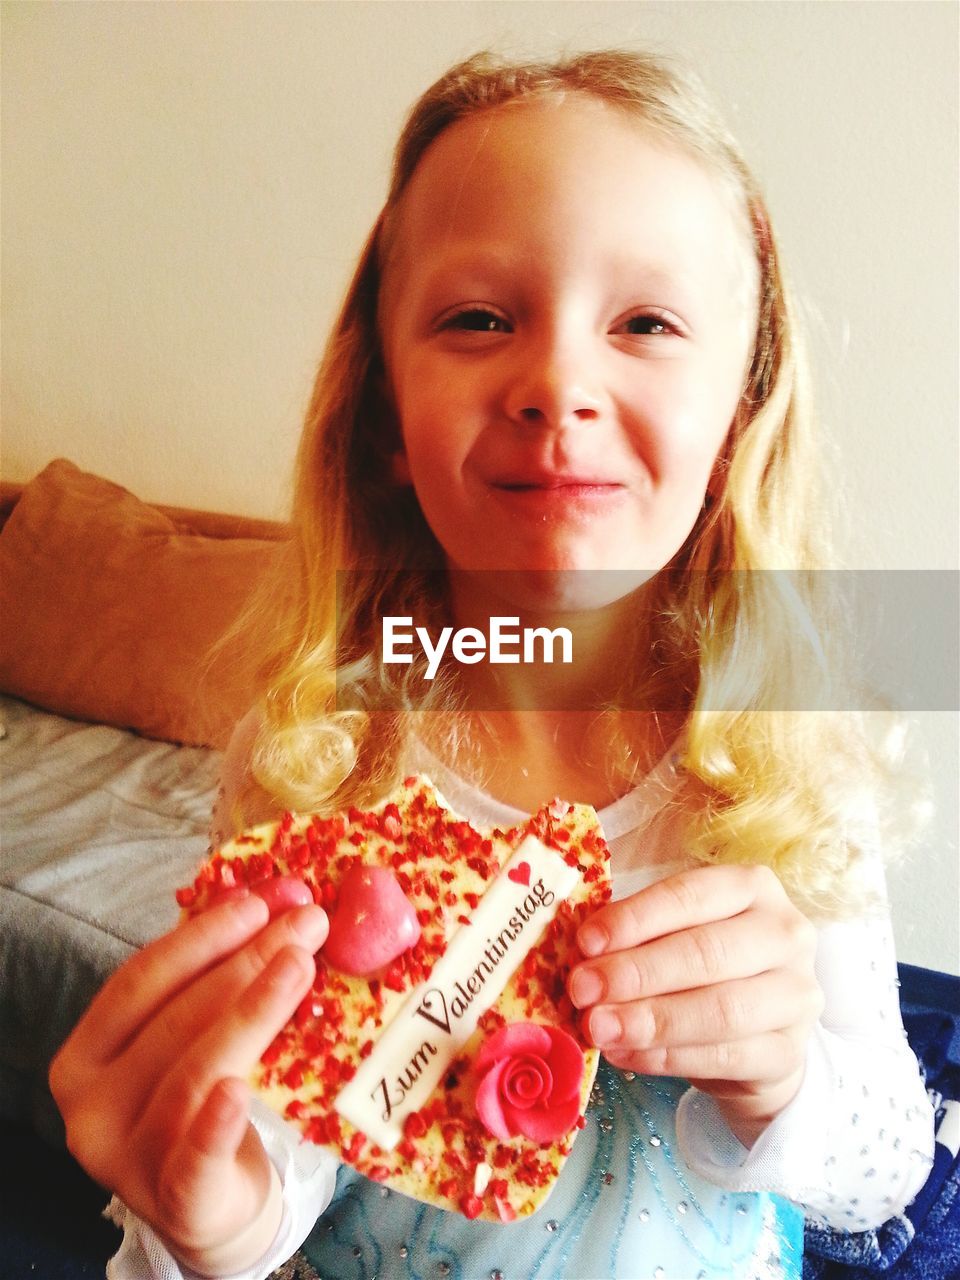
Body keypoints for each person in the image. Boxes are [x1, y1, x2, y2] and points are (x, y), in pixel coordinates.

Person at [50, 49, 936, 1280]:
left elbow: (887, 1172)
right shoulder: (321, 757)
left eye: (646, 322)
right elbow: (275, 1154)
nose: (559, 383)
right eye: (478, 317)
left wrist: (787, 1074)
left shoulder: (791, 758)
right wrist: (213, 1222)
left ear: (740, 411)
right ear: (386, 419)